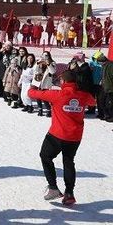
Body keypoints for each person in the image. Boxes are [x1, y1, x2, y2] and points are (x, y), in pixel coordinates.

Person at [28, 70, 96, 206]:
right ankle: (69, 193)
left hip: (57, 134)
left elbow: (31, 93)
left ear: (63, 82)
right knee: (69, 161)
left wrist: (34, 84)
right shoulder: (83, 95)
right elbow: (93, 102)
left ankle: (53, 187)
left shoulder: (57, 95)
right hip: (75, 136)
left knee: (45, 156)